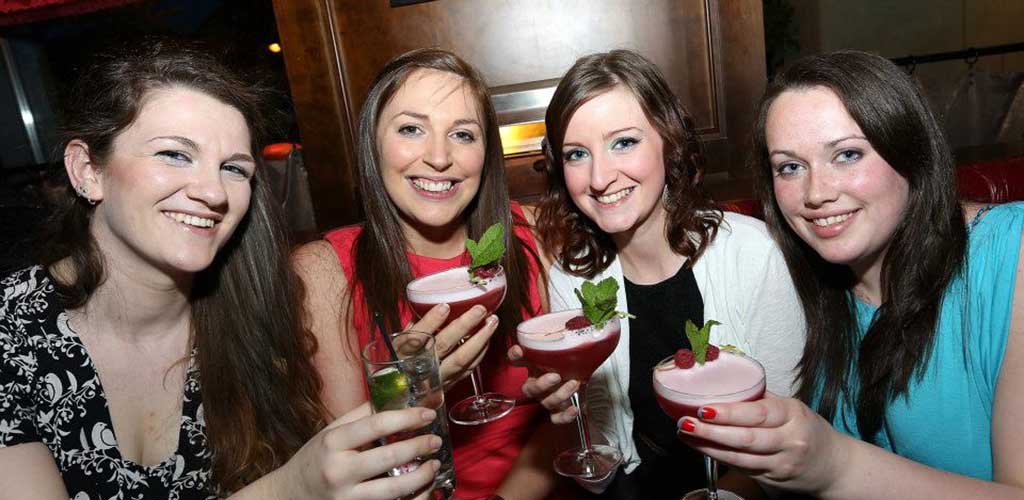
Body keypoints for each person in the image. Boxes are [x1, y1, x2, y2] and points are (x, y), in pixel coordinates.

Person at [0, 37, 446, 500]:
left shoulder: (256, 316)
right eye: (174, 154)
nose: (213, 192)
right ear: (87, 171)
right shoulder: (9, 335)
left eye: (234, 169)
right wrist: (294, 488)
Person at [676, 50, 1024, 499]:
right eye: (790, 167)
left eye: (847, 154)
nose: (816, 193)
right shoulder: (807, 282)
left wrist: (835, 466)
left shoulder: (1012, 254)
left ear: (910, 153)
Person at [511, 49, 806, 498]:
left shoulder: (755, 255)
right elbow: (600, 466)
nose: (600, 177)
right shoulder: (573, 279)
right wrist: (568, 417)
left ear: (669, 141)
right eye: (576, 153)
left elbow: (787, 439)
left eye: (623, 142)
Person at [293, 48, 558, 500]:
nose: (439, 157)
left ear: (486, 153)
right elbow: (352, 458)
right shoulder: (324, 270)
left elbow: (573, 412)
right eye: (411, 129)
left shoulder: (534, 235)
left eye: (462, 134)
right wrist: (407, 384)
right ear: (372, 144)